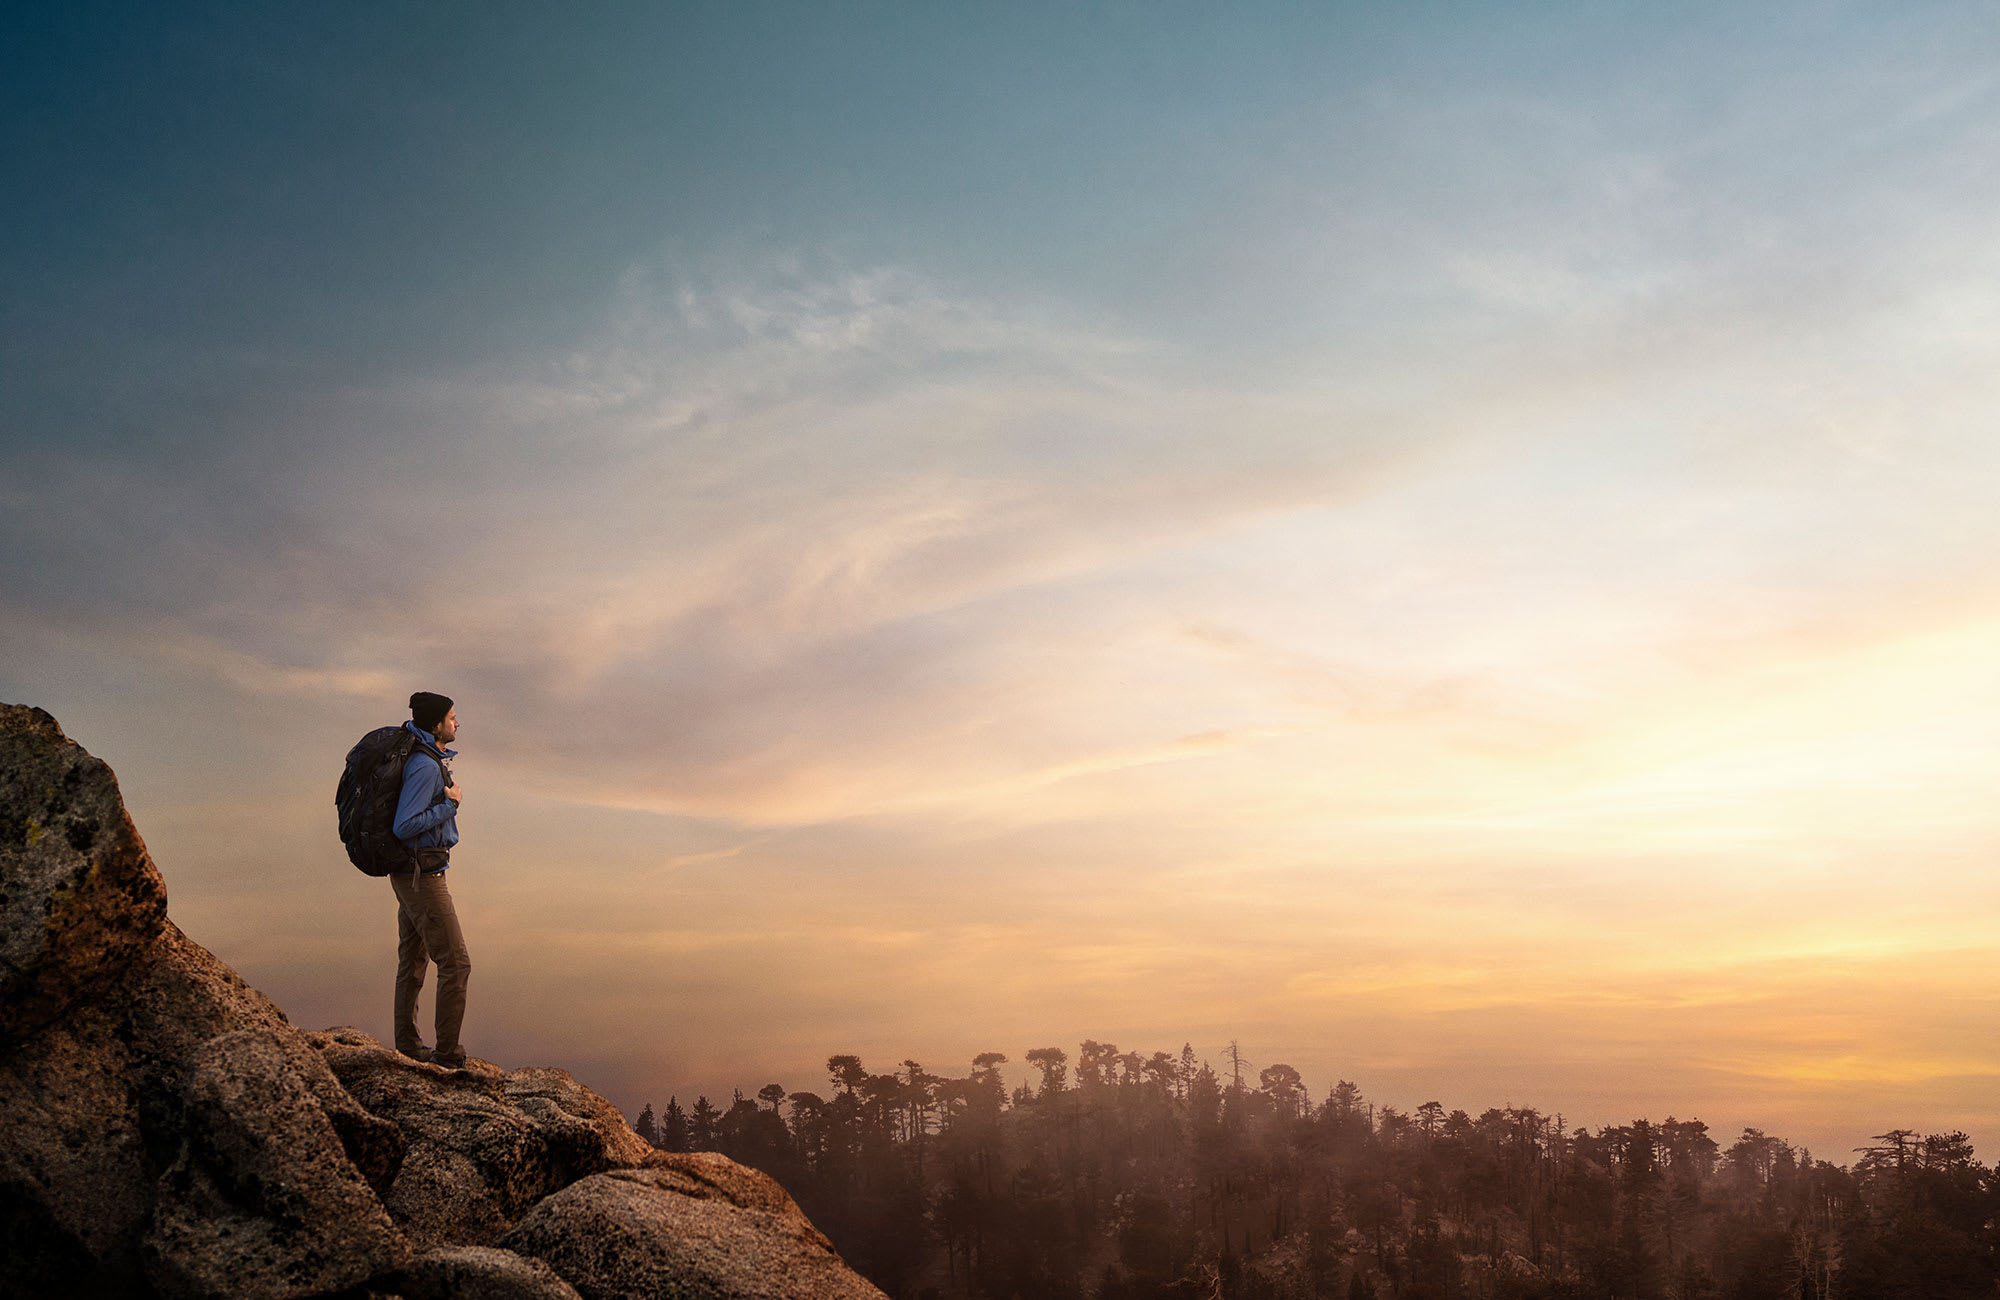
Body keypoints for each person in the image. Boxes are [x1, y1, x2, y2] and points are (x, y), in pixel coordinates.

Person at [390, 690, 469, 1066]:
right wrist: (449, 805)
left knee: (414, 958)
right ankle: (448, 1055)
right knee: (455, 963)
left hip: (411, 874)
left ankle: (407, 1045)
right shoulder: (424, 767)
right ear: (436, 724)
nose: (457, 723)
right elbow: (405, 825)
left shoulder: (426, 759)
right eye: (452, 717)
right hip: (423, 877)